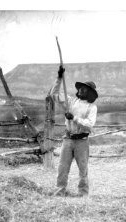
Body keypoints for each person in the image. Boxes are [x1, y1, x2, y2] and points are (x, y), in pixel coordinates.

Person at [49, 65, 98, 197]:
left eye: (84, 89)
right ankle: (60, 192)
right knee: (62, 168)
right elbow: (54, 95)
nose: (81, 89)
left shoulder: (92, 107)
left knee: (83, 170)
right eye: (80, 87)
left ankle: (83, 194)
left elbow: (89, 125)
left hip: (82, 141)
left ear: (90, 93)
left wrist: (74, 118)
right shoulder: (71, 102)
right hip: (68, 139)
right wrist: (59, 78)